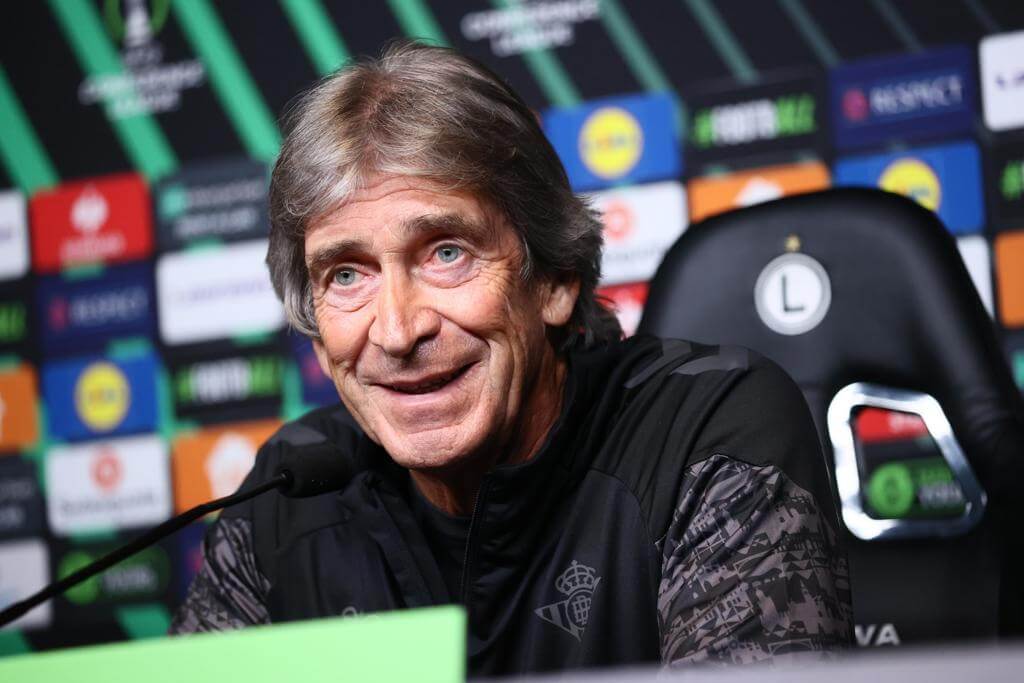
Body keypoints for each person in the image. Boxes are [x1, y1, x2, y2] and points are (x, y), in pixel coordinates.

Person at [171, 41, 852, 675]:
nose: (397, 330)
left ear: (555, 280)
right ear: (318, 333)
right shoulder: (290, 495)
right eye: (347, 275)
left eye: (447, 253)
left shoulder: (709, 432)